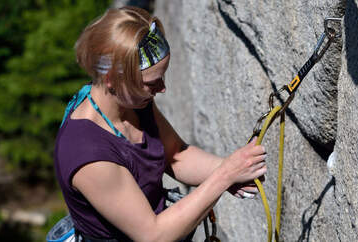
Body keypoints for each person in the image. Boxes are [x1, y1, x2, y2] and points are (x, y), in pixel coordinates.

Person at [54, 6, 267, 242]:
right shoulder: (88, 153)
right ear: (112, 79)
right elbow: (153, 235)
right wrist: (225, 176)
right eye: (151, 83)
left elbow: (176, 155)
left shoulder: (134, 102)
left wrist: (236, 169)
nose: (162, 88)